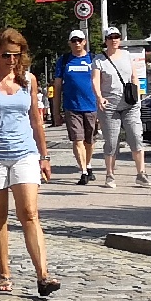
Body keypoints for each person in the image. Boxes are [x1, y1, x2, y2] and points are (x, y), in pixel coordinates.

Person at [0, 29, 59, 297]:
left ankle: (43, 275)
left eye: (15, 55)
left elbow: (36, 120)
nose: (10, 60)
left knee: (30, 213)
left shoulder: (29, 80)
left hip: (25, 153)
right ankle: (3, 271)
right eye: (6, 54)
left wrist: (44, 156)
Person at [94, 25, 150, 188]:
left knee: (136, 136)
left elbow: (134, 76)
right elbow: (95, 80)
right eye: (111, 37)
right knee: (111, 141)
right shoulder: (99, 59)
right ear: (105, 40)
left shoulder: (126, 55)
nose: (114, 40)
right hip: (109, 106)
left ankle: (141, 174)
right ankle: (110, 175)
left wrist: (137, 96)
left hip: (130, 104)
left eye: (117, 36)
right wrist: (99, 97)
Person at [54, 27, 100, 184]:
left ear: (85, 42)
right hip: (72, 106)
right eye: (73, 41)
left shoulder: (93, 59)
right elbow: (58, 86)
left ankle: (88, 164)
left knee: (90, 141)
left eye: (79, 40)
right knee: (77, 140)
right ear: (69, 43)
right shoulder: (64, 60)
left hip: (91, 106)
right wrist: (56, 111)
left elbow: (101, 82)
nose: (77, 43)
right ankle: (83, 171)